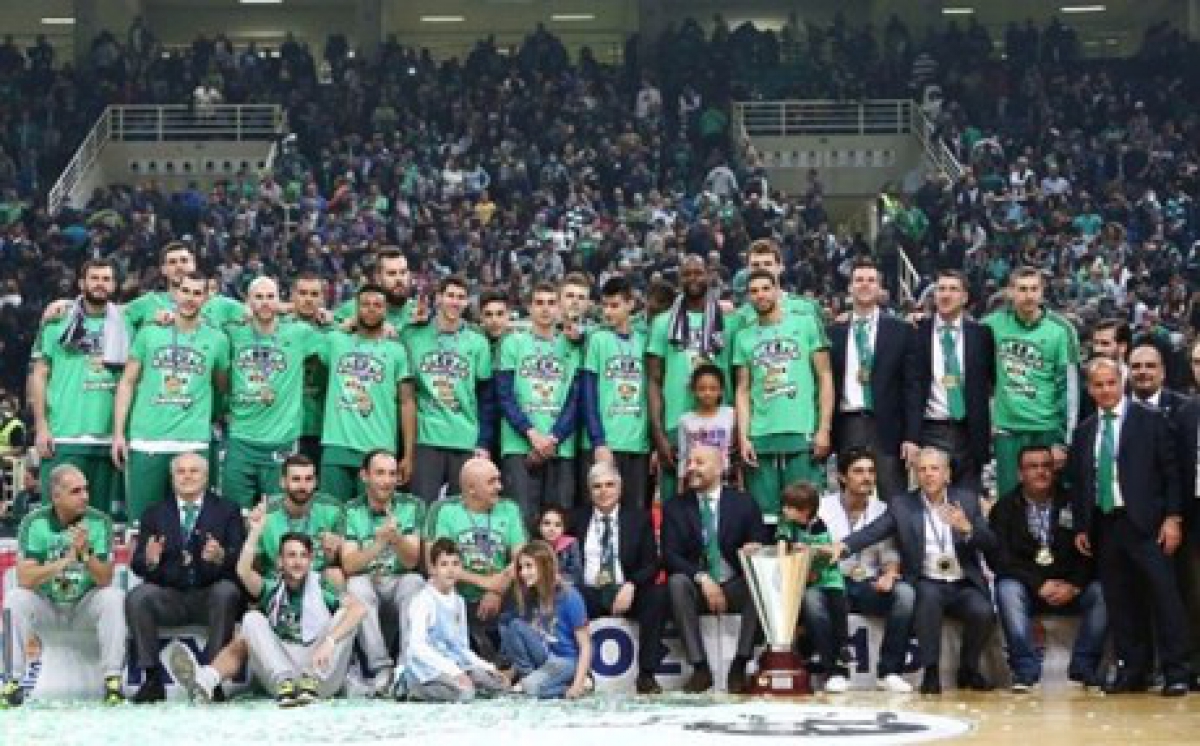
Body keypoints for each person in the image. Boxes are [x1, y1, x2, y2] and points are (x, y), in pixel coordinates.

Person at [833, 447, 998, 694]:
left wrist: (967, 529)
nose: (928, 474)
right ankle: (931, 671)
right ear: (915, 475)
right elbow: (873, 531)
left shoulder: (966, 500)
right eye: (922, 469)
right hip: (927, 578)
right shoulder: (902, 504)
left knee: (983, 611)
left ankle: (969, 668)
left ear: (947, 474)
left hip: (962, 581)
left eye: (934, 469)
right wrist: (844, 546)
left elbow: (991, 543)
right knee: (927, 600)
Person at [1070, 358, 1190, 696]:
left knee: (1165, 597)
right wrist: (1082, 526)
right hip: (1106, 524)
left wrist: (1173, 517)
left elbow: (1172, 473)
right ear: (1090, 389)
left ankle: (1177, 671)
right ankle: (1134, 670)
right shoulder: (1084, 431)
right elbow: (1081, 482)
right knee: (1121, 601)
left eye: (1111, 383)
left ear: (1122, 383)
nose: (1106, 390)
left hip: (1148, 524)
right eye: (1098, 385)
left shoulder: (1151, 419)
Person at [167, 527, 366, 706]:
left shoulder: (322, 586)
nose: (298, 562)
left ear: (310, 561)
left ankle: (203, 680)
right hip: (281, 678)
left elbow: (359, 609)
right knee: (252, 619)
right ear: (280, 561)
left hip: (320, 677)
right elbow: (243, 571)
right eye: (291, 555)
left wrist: (330, 642)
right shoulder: (272, 588)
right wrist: (254, 533)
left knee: (345, 614)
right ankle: (204, 684)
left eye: (303, 556)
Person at [1, 464, 125, 706]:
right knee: (15, 598)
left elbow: (104, 579)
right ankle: (11, 681)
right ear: (56, 497)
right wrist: (64, 561)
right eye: (76, 491)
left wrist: (86, 554)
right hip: (47, 605)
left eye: (86, 490)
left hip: (84, 606)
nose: (85, 496)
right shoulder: (34, 522)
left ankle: (113, 681)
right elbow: (25, 578)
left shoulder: (99, 522)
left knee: (113, 597)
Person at [125, 453, 245, 703]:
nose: (187, 476)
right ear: (172, 478)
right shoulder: (154, 513)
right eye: (181, 471)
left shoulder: (228, 510)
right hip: (171, 596)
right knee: (138, 597)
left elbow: (241, 560)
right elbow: (138, 564)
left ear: (206, 477)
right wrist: (150, 560)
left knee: (226, 592)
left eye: (194, 471)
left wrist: (222, 556)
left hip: (209, 595)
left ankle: (211, 678)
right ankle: (152, 679)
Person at [112, 272, 230, 522]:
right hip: (148, 440)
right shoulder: (149, 333)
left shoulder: (218, 340)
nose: (190, 298)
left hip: (193, 442)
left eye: (197, 293)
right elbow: (127, 382)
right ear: (175, 293)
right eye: (185, 291)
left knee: (194, 526)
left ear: (206, 298)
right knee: (142, 524)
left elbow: (222, 385)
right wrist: (119, 433)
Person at [988, 445, 1107, 691]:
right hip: (1029, 587)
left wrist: (1074, 586)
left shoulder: (1076, 504)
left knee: (1102, 591)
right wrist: (1038, 584)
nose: (1040, 472)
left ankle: (1084, 667)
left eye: (1046, 466)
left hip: (1070, 587)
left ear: (1054, 470)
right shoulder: (1004, 508)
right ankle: (1025, 671)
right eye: (1033, 467)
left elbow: (1093, 552)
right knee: (1007, 589)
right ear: (1020, 473)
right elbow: (1001, 559)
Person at [663, 444, 768, 694]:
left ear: (720, 467)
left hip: (734, 584)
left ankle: (740, 663)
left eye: (699, 463)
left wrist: (755, 548)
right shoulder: (675, 507)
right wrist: (703, 579)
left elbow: (760, 542)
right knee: (677, 583)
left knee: (759, 580)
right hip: (697, 586)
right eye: (689, 463)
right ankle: (700, 668)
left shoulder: (744, 503)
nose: (691, 468)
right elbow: (670, 556)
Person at [733, 269, 833, 520]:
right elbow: (742, 390)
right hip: (761, 436)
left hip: (801, 433)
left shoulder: (805, 323)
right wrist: (744, 437)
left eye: (766, 289)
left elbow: (824, 377)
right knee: (764, 517)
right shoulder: (743, 336)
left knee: (804, 514)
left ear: (778, 290)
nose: (760, 295)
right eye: (754, 291)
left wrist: (824, 428)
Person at [28, 258, 124, 515]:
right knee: (56, 518)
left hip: (108, 439)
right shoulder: (57, 322)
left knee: (100, 521)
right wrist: (41, 427)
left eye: (106, 279)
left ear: (114, 285)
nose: (100, 284)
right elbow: (39, 375)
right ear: (82, 283)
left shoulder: (126, 324)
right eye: (94, 278)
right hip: (64, 435)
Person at [818, 447, 914, 693]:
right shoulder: (822, 508)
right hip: (832, 582)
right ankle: (835, 671)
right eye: (859, 471)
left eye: (871, 471)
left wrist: (890, 574)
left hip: (869, 584)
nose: (867, 477)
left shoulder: (884, 510)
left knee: (904, 594)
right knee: (811, 600)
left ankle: (889, 671)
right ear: (842, 477)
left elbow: (890, 554)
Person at [571, 461, 670, 694]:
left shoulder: (638, 519)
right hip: (588, 593)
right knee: (567, 596)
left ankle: (646, 675)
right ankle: (576, 673)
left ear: (620, 488)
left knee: (657, 596)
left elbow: (653, 563)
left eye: (609, 485)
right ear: (589, 491)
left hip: (625, 590)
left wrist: (632, 584)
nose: (603, 491)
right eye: (597, 486)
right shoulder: (576, 519)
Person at [984, 267, 1080, 499]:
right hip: (1007, 428)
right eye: (1022, 289)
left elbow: (1069, 390)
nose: (1029, 295)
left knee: (1047, 499)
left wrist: (1064, 442)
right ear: (1010, 292)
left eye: (1034, 289)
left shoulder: (1061, 329)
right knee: (1009, 501)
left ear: (1042, 292)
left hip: (1046, 429)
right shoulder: (990, 325)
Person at [222, 277, 318, 509]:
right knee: (234, 512)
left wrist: (339, 320)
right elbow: (207, 313)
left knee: (279, 513)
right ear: (248, 301)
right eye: (259, 297)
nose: (265, 302)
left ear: (279, 300)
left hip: (281, 440)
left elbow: (337, 336)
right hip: (241, 439)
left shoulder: (300, 333)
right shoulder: (232, 333)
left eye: (270, 297)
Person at [316, 283, 416, 500]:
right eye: (365, 304)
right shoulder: (335, 341)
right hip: (337, 445)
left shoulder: (397, 350)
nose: (371, 309)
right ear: (356, 308)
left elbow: (407, 402)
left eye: (377, 305)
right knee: (331, 511)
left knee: (374, 515)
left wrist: (408, 454)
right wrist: (342, 325)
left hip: (379, 449)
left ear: (386, 310)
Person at [829, 258, 917, 501]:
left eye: (871, 280)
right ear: (850, 287)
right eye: (859, 280)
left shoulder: (901, 330)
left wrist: (912, 435)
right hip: (848, 423)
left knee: (894, 498)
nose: (865, 285)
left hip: (888, 425)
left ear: (880, 288)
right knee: (849, 498)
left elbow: (911, 387)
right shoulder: (834, 333)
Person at [340, 449, 425, 696]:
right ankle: (381, 668)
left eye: (392, 474)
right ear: (364, 475)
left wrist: (396, 539)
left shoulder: (412, 506)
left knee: (415, 581)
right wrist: (378, 543)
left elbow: (412, 561)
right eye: (380, 473)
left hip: (398, 580)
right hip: (368, 582)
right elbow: (349, 564)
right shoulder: (350, 510)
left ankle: (406, 666)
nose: (387, 481)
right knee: (355, 585)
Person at [424, 457, 526, 661]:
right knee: (436, 586)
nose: (499, 486)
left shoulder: (509, 509)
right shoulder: (445, 512)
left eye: (498, 479)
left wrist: (496, 589)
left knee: (526, 579)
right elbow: (436, 564)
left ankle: (514, 659)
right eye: (491, 482)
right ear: (471, 489)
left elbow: (521, 557)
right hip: (459, 593)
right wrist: (486, 583)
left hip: (502, 592)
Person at [496, 281, 581, 526]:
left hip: (560, 448)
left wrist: (554, 438)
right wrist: (531, 433)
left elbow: (576, 399)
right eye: (539, 303)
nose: (545, 308)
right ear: (529, 307)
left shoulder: (573, 345)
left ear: (560, 307)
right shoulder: (512, 343)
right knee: (521, 520)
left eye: (551, 303)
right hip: (518, 445)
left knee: (559, 522)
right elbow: (505, 396)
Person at [402, 275, 493, 504]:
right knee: (422, 506)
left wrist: (482, 441)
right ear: (439, 298)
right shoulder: (413, 335)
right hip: (427, 436)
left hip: (464, 436)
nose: (455, 302)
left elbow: (485, 395)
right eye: (450, 295)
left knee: (459, 509)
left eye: (461, 297)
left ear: (467, 302)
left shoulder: (477, 342)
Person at [648, 254, 731, 502]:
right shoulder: (662, 323)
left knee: (719, 502)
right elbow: (653, 381)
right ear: (679, 279)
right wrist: (659, 435)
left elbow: (739, 376)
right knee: (675, 504)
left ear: (709, 275)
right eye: (686, 274)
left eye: (698, 273)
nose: (693, 278)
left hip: (719, 424)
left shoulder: (729, 320)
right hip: (676, 424)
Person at [912, 269, 994, 493]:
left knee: (967, 501)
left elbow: (991, 380)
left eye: (953, 289)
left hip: (970, 432)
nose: (946, 295)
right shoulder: (916, 332)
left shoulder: (982, 335)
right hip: (931, 429)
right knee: (931, 499)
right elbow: (910, 388)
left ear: (965, 297)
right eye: (941, 289)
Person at [397, 538, 508, 702]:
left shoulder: (459, 601)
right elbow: (417, 647)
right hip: (428, 667)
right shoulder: (423, 601)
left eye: (455, 564)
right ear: (433, 569)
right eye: (444, 564)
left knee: (498, 686)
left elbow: (461, 648)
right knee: (465, 693)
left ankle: (461, 683)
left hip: (454, 663)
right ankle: (411, 687)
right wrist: (454, 672)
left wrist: (488, 667)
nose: (450, 570)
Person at [581, 276, 651, 507]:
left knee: (635, 512)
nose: (608, 311)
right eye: (605, 305)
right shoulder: (597, 340)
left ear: (630, 304)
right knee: (599, 509)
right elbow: (588, 394)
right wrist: (598, 441)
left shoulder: (644, 339)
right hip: (605, 443)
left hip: (638, 443)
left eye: (614, 305)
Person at [777, 481, 849, 693]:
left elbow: (828, 552)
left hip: (830, 579)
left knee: (838, 612)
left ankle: (841, 658)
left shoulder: (819, 525)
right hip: (803, 581)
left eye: (789, 507)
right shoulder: (786, 523)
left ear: (805, 511)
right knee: (810, 607)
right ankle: (822, 660)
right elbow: (782, 543)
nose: (785, 510)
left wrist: (809, 549)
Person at [500, 541, 592, 699]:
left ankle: (577, 686)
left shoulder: (570, 596)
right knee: (514, 625)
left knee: (528, 688)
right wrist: (511, 672)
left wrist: (578, 684)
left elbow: (586, 645)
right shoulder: (530, 595)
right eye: (521, 567)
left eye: (529, 566)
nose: (523, 573)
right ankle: (528, 679)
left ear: (544, 566)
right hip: (544, 656)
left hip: (566, 661)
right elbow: (529, 640)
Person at [258, 455, 346, 584]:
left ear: (315, 482)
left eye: (308, 479)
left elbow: (344, 563)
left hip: (317, 579)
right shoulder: (265, 512)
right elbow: (254, 566)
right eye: (296, 479)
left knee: (335, 574)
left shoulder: (333, 508)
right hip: (277, 579)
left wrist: (333, 555)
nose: (302, 486)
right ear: (283, 482)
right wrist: (252, 533)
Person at [290, 273, 330, 466]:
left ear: (322, 298)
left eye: (314, 294)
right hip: (285, 427)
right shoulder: (277, 330)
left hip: (322, 428)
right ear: (292, 296)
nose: (308, 299)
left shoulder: (335, 332)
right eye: (303, 293)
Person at [331, 248, 423, 331]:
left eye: (403, 272)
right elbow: (327, 329)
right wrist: (346, 326)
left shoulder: (418, 311)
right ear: (378, 278)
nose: (399, 279)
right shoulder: (355, 307)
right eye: (391, 273)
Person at [677, 364, 738, 480]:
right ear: (694, 390)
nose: (707, 393)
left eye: (713, 388)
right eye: (702, 388)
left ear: (721, 390)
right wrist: (680, 486)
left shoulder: (730, 414)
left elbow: (736, 451)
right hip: (697, 479)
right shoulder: (685, 420)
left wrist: (740, 485)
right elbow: (683, 455)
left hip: (725, 478)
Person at [537, 506, 582, 586]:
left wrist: (559, 579)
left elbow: (576, 575)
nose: (552, 529)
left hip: (564, 587)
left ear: (563, 528)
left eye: (557, 525)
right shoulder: (534, 546)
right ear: (539, 526)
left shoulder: (570, 544)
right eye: (547, 523)